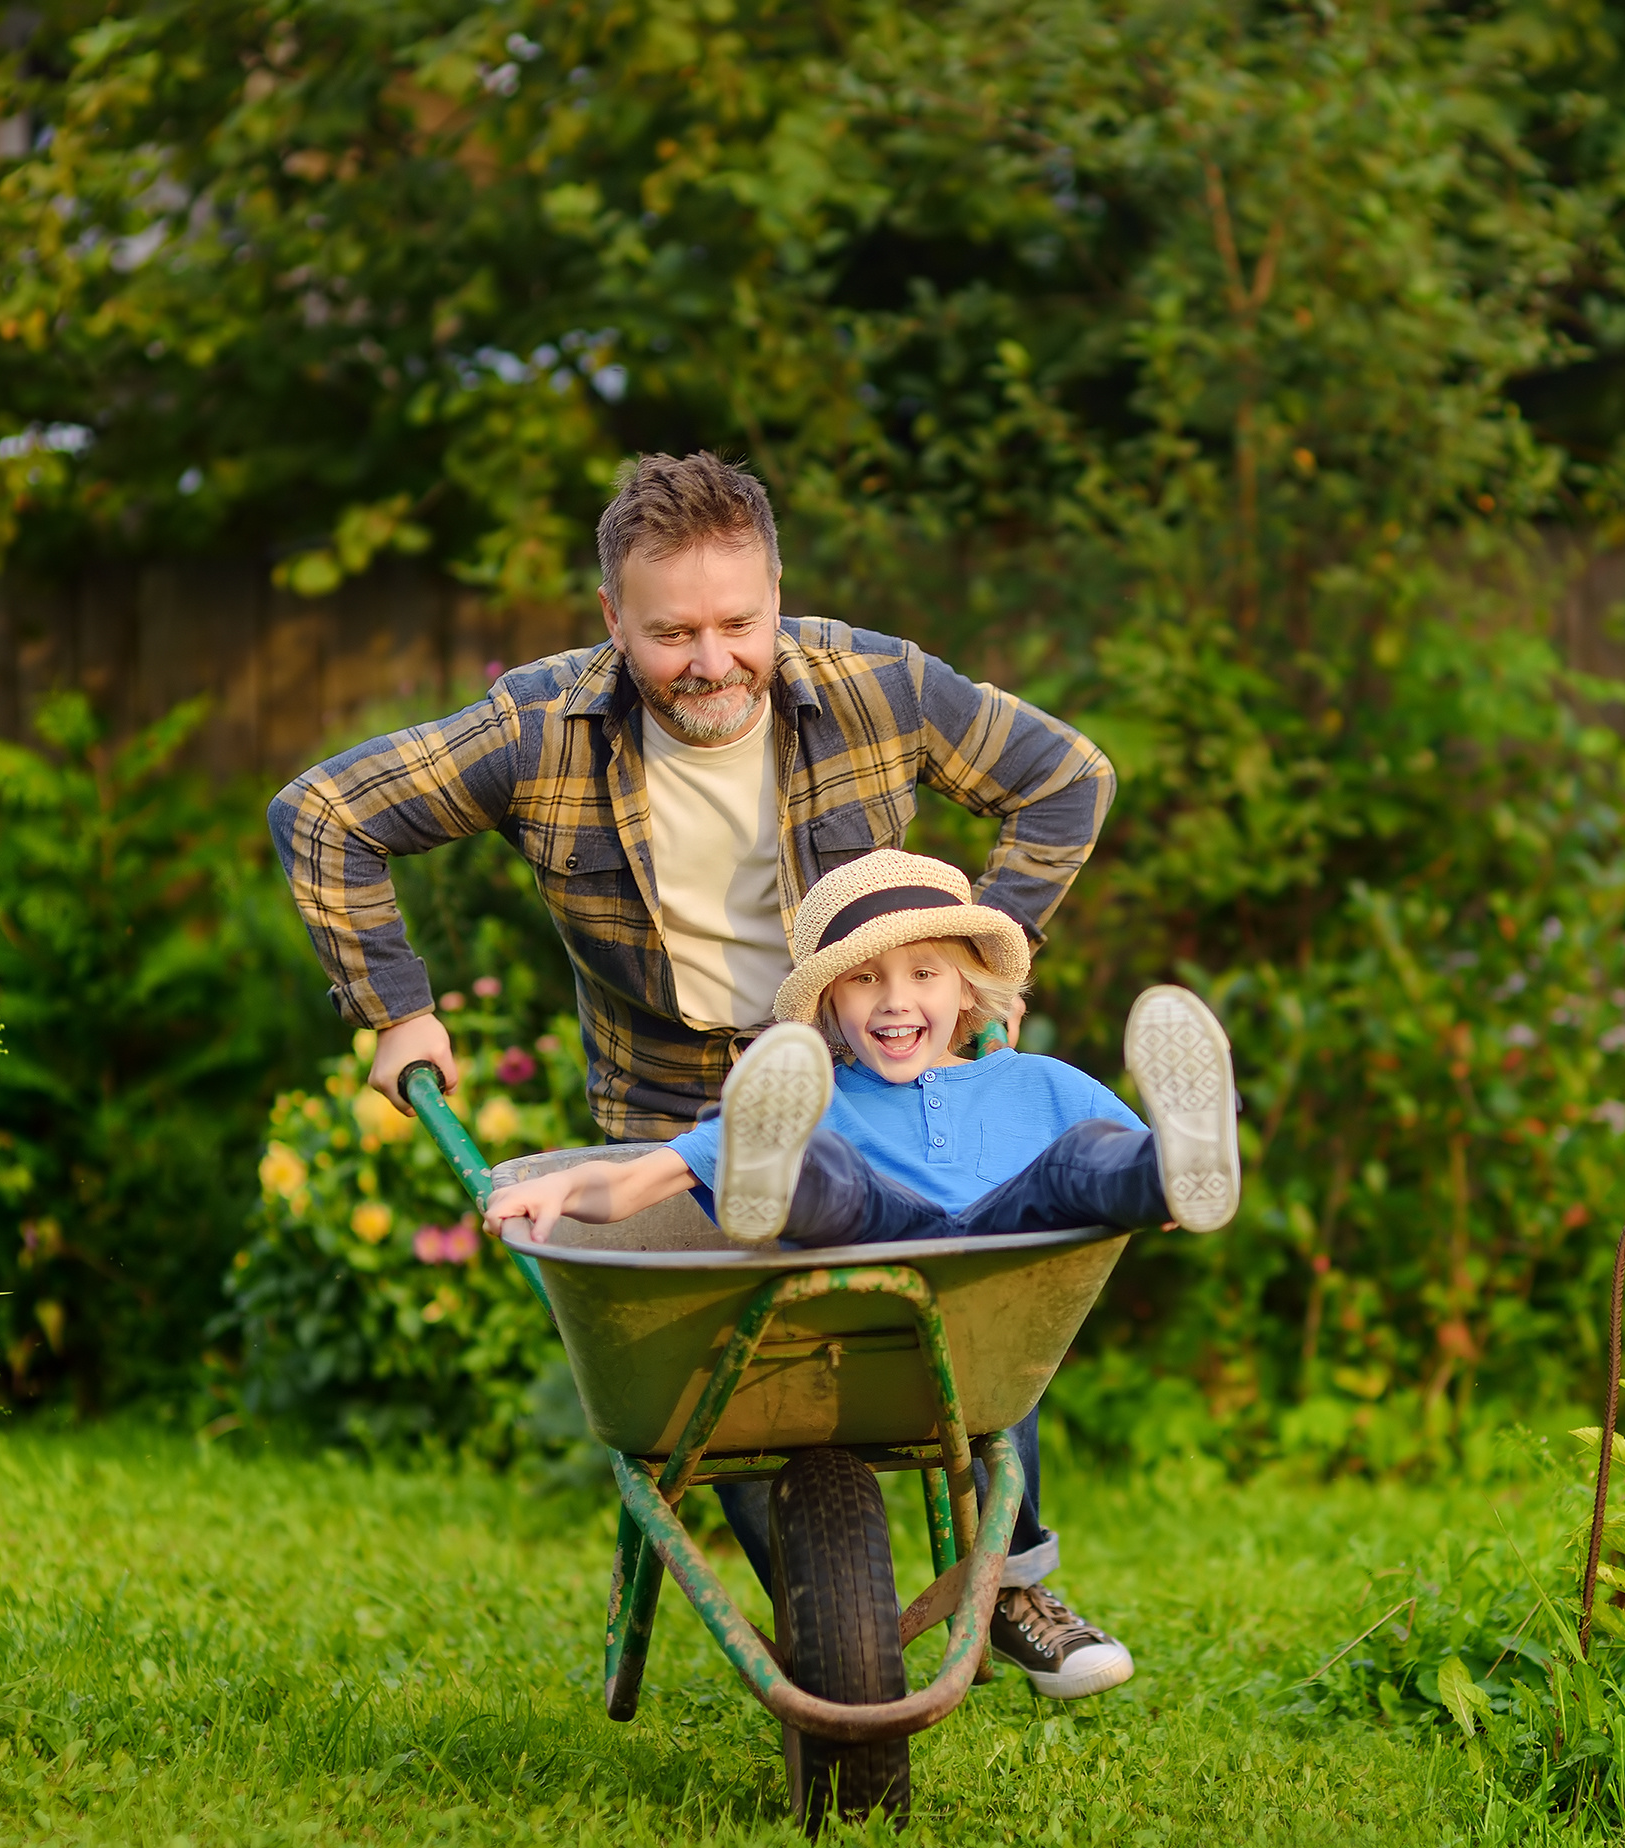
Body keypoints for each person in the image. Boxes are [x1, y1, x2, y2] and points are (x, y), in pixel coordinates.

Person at [268, 451, 1133, 1690]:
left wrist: (984, 961)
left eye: (740, 622)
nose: (712, 660)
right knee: (733, 1381)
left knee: (978, 1249)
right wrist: (394, 1010)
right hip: (672, 1105)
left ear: (778, 600)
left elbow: (1066, 777)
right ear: (612, 619)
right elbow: (327, 813)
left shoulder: (877, 685)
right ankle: (842, 1628)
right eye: (671, 631)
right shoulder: (543, 725)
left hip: (867, 1071)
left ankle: (1015, 1583)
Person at [483, 851, 1242, 1695]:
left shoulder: (1040, 1083)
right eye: (864, 980)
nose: (895, 999)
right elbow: (634, 1181)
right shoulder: (823, 1095)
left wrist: (1159, 1190)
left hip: (990, 1273)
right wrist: (551, 1189)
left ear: (968, 991)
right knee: (832, 1172)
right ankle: (768, 1179)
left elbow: (1100, 1168)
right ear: (831, 1006)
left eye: (924, 972)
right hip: (863, 1261)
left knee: (1081, 1160)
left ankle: (1184, 1159)